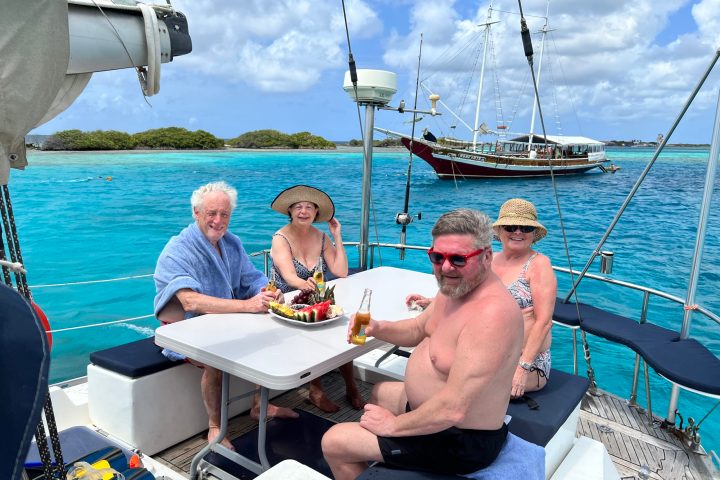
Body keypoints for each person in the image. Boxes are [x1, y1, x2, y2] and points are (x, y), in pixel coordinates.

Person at [321, 208, 523, 479]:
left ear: (487, 256)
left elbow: (453, 409)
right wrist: (378, 328)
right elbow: (418, 328)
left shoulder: (491, 316)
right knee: (381, 392)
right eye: (438, 257)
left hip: (459, 440)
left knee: (334, 441)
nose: (447, 267)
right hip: (437, 418)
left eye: (459, 259)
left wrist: (393, 426)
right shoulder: (457, 288)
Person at [153, 181, 298, 451]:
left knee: (271, 335)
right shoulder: (178, 249)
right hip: (184, 328)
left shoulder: (231, 243)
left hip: (224, 318)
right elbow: (189, 300)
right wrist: (248, 306)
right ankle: (215, 426)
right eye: (211, 214)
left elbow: (251, 278)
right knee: (216, 359)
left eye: (225, 214)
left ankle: (258, 405)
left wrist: (269, 292)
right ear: (196, 213)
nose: (218, 221)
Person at [406, 198, 556, 398]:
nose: (518, 232)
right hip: (485, 353)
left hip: (524, 362)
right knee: (434, 364)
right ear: (500, 231)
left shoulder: (539, 265)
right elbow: (468, 294)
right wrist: (433, 303)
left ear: (533, 234)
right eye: (511, 226)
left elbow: (544, 322)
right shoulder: (491, 260)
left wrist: (523, 368)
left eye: (525, 228)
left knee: (462, 388)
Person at [270, 185, 364, 412]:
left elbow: (341, 271)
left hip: (313, 299)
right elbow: (289, 277)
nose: (304, 211)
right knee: (313, 331)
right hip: (285, 304)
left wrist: (337, 236)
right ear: (290, 211)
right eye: (299, 207)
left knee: (342, 329)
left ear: (316, 213)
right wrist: (306, 285)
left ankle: (351, 386)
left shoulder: (321, 237)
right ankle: (316, 389)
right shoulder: (280, 238)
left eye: (309, 207)